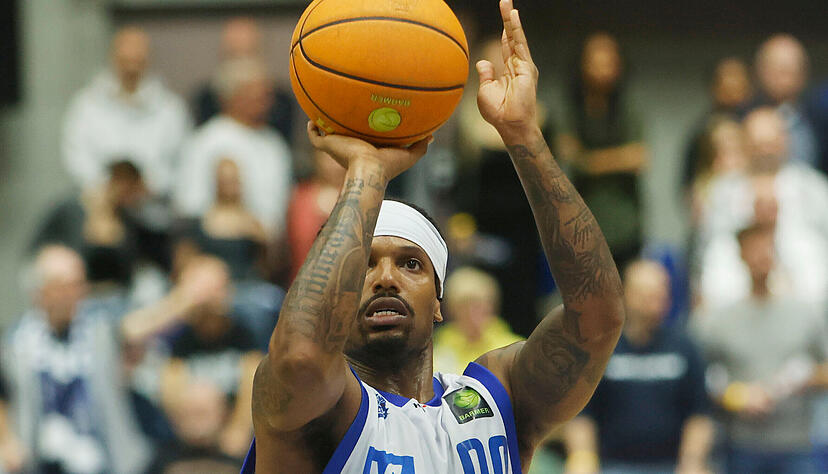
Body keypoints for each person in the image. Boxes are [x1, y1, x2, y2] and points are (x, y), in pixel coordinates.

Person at [243, 1, 625, 472]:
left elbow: (600, 316)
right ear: (331, 295)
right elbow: (301, 355)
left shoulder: (497, 398)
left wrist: (524, 136)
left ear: (440, 299)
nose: (385, 278)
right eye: (364, 264)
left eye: (410, 263)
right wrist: (367, 171)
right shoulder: (320, 411)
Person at [2, 246, 151, 474]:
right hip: (40, 460)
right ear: (40, 291)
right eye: (63, 285)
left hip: (105, 459)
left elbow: (139, 327)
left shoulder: (100, 328)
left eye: (78, 284)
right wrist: (7, 441)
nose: (73, 294)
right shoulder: (16, 341)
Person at [693, 222, 828, 474]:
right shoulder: (718, 320)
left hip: (797, 445)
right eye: (753, 249)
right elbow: (698, 377)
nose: (760, 256)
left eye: (766, 248)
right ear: (740, 255)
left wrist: (805, 378)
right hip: (740, 446)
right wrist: (733, 396)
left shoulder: (804, 313)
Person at [564, 260, 713, 474]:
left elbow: (698, 414)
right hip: (611, 465)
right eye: (648, 294)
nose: (657, 300)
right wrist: (582, 458)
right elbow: (582, 414)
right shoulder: (600, 348)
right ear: (626, 295)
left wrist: (692, 461)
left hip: (671, 465)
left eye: (661, 292)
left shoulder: (685, 347)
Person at [555, 32, 648, 272]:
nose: (602, 68)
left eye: (609, 61)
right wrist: (617, 158)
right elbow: (569, 157)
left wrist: (590, 161)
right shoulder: (570, 110)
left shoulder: (629, 108)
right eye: (595, 60)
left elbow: (638, 158)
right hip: (580, 225)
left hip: (626, 225)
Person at [174, 56, 292, 241]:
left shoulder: (274, 144)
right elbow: (190, 207)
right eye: (257, 95)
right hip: (216, 245)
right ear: (232, 97)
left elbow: (280, 212)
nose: (267, 102)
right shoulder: (205, 142)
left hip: (267, 250)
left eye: (267, 95)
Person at [62, 27, 191, 196]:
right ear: (113, 59)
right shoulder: (86, 105)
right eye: (125, 61)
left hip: (154, 206)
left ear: (147, 60)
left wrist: (148, 185)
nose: (131, 69)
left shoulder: (171, 109)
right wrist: (105, 185)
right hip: (100, 203)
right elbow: (76, 155)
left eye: (137, 61)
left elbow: (181, 159)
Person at [192, 17, 296, 145]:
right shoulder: (206, 104)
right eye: (235, 55)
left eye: (248, 55)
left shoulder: (282, 105)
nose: (243, 66)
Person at [433, 266, 523, 375]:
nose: (471, 314)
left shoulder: (514, 347)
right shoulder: (441, 344)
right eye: (463, 308)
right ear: (452, 311)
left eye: (478, 306)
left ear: (491, 307)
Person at [752, 34, 818, 168]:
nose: (781, 76)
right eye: (774, 67)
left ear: (803, 73)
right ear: (759, 71)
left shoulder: (818, 118)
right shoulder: (740, 118)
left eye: (788, 68)